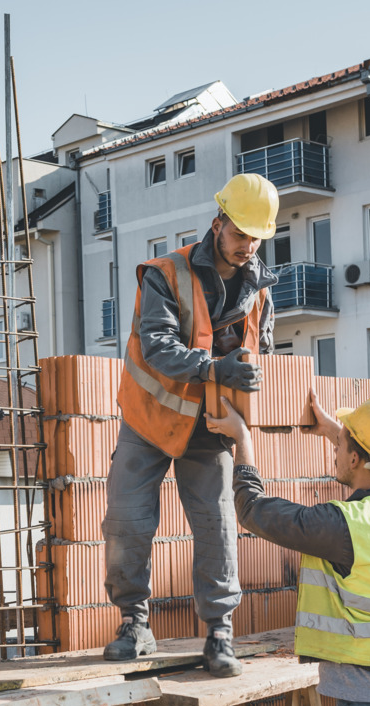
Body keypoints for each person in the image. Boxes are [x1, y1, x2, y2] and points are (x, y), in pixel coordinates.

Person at [101, 173, 280, 677]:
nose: (248, 245)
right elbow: (157, 346)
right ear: (218, 223)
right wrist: (214, 369)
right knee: (127, 522)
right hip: (150, 417)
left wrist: (245, 385)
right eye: (240, 233)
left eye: (256, 236)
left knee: (217, 526)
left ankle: (219, 633)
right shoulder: (165, 273)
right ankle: (134, 623)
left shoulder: (261, 288)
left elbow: (258, 349)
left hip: (211, 427)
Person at [205, 390, 370, 706]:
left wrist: (242, 437)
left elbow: (250, 509)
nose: (336, 450)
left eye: (341, 444)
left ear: (355, 459)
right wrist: (332, 430)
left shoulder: (343, 526)